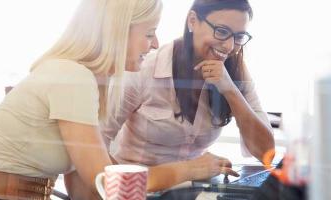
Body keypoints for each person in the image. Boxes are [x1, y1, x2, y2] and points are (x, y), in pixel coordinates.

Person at [0, 0, 190, 199]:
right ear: (117, 32)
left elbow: (83, 189)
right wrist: (188, 170)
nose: (156, 44)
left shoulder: (81, 79)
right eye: (149, 33)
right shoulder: (72, 77)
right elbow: (105, 183)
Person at [101, 0, 275, 187]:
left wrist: (230, 90)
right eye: (222, 31)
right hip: (138, 188)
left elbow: (266, 153)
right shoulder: (145, 69)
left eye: (239, 37)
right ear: (192, 21)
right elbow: (96, 142)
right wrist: (191, 168)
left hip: (189, 188)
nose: (229, 46)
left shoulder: (235, 72)